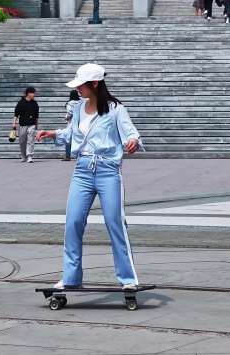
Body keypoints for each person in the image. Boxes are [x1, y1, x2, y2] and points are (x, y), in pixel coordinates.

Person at [35, 63, 143, 290]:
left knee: (115, 223)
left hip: (107, 172)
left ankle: (128, 279)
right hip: (82, 171)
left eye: (81, 85)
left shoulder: (115, 109)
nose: (78, 89)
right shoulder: (77, 108)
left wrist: (133, 141)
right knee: (73, 222)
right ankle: (71, 277)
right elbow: (71, 134)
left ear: (94, 84)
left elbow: (131, 132)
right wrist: (52, 133)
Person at [12, 86, 39, 163]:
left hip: (32, 125)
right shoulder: (21, 103)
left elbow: (37, 116)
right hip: (22, 125)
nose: (34, 94)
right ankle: (24, 156)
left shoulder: (35, 104)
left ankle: (30, 156)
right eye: (32, 93)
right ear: (28, 93)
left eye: (34, 93)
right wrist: (14, 123)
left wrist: (36, 126)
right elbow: (16, 114)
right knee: (22, 141)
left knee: (31, 141)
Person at [62, 89, 81, 161]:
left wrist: (66, 118)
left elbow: (69, 113)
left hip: (71, 123)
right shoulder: (81, 102)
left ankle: (67, 156)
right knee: (79, 139)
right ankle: (79, 156)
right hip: (80, 123)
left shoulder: (69, 103)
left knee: (68, 139)